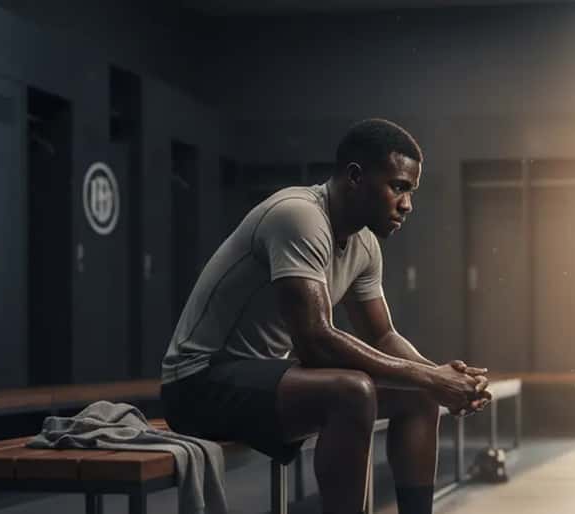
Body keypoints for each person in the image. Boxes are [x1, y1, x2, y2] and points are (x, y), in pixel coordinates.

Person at [159, 119, 492, 514]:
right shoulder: (298, 217)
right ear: (355, 176)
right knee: (351, 393)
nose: (407, 204)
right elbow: (316, 341)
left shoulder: (365, 244)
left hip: (261, 379)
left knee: (417, 396)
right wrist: (432, 377)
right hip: (197, 384)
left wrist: (440, 378)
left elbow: (383, 334)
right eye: (398, 187)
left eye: (411, 191)